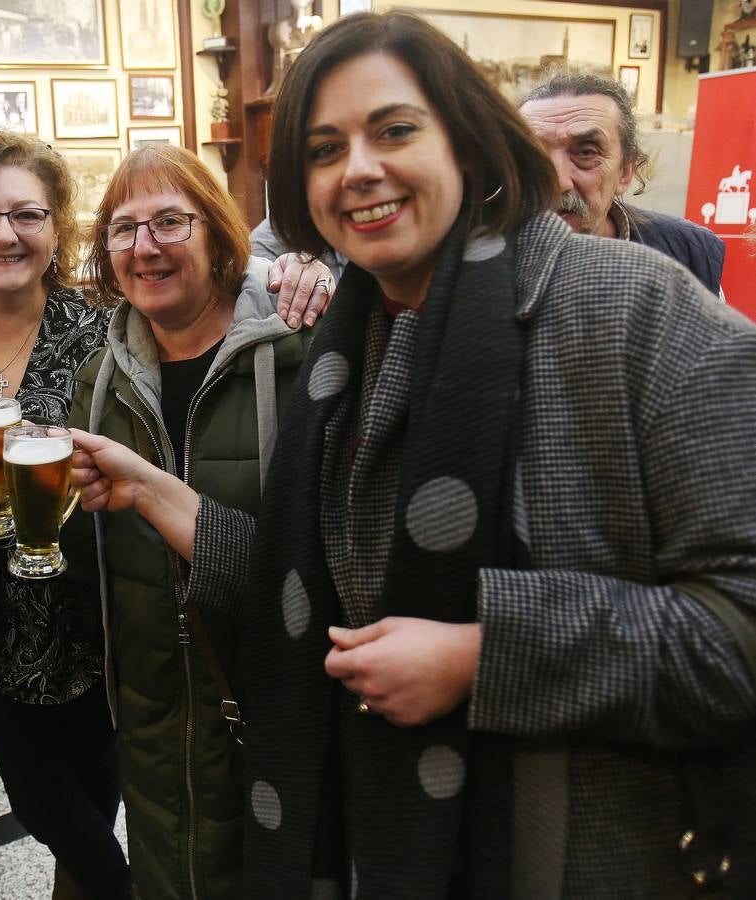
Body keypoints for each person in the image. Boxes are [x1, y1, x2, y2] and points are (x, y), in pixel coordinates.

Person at [72, 10, 756, 898]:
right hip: (380, 846)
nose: (357, 169)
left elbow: (737, 626)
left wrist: (483, 654)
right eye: (323, 150)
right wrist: (151, 491)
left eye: (393, 130)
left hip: (587, 857)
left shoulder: (634, 309)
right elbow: (320, 598)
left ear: (468, 142)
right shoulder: (350, 346)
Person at [0, 129, 329, 900]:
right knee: (51, 811)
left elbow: (209, 308)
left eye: (27, 214)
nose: (5, 233)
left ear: (57, 229)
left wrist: (302, 270)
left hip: (108, 628)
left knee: (103, 805)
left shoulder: (102, 328)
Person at [66, 145, 326, 900]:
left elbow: (330, 564)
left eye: (170, 222)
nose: (144, 246)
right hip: (152, 724)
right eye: (123, 229)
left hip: (279, 714)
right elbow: (98, 566)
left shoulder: (299, 352)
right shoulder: (100, 382)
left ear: (217, 233)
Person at [519, 69, 726, 297]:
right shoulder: (491, 261)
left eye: (586, 153)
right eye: (533, 155)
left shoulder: (688, 254)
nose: (557, 183)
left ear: (625, 171)